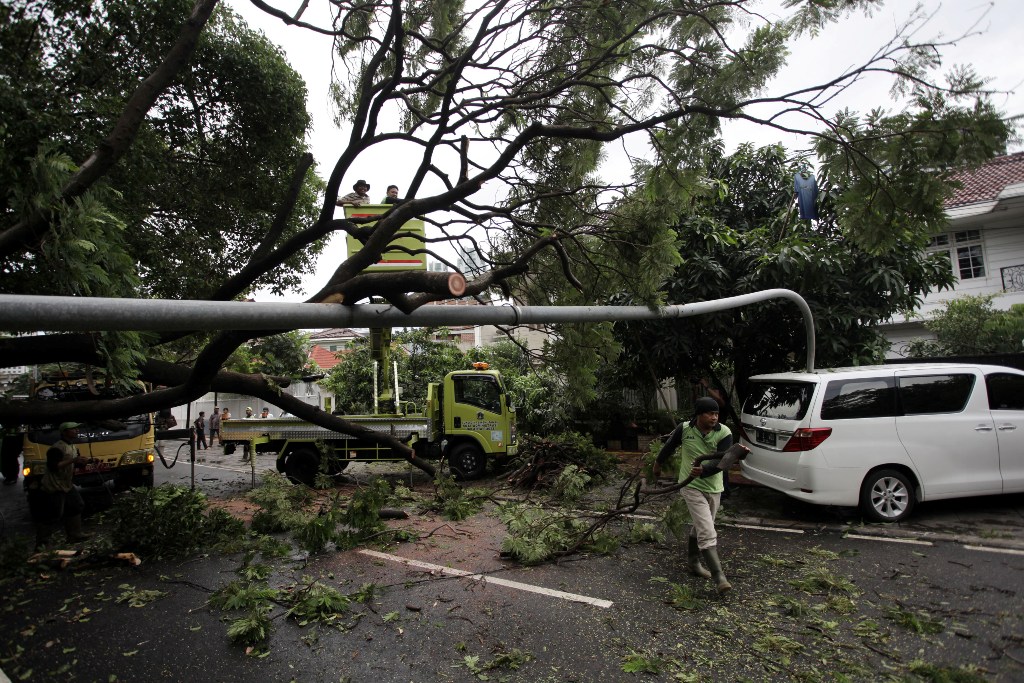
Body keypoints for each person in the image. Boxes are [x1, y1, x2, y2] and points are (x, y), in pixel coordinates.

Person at [653, 397, 747, 593]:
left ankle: (693, 563)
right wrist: (658, 464)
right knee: (707, 529)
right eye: (710, 413)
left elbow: (724, 461)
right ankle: (719, 577)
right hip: (690, 486)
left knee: (702, 524)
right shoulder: (685, 429)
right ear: (699, 414)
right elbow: (669, 447)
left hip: (714, 486)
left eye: (716, 414)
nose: (714, 417)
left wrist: (704, 470)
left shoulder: (724, 432)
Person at [34, 422, 94, 547]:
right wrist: (73, 460)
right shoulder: (57, 448)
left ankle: (74, 535)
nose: (76, 431)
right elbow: (53, 466)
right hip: (54, 486)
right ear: (64, 432)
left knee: (76, 505)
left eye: (76, 429)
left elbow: (71, 464)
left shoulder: (72, 446)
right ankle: (42, 545)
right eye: (73, 429)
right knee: (52, 514)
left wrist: (84, 462)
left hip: (66, 484)